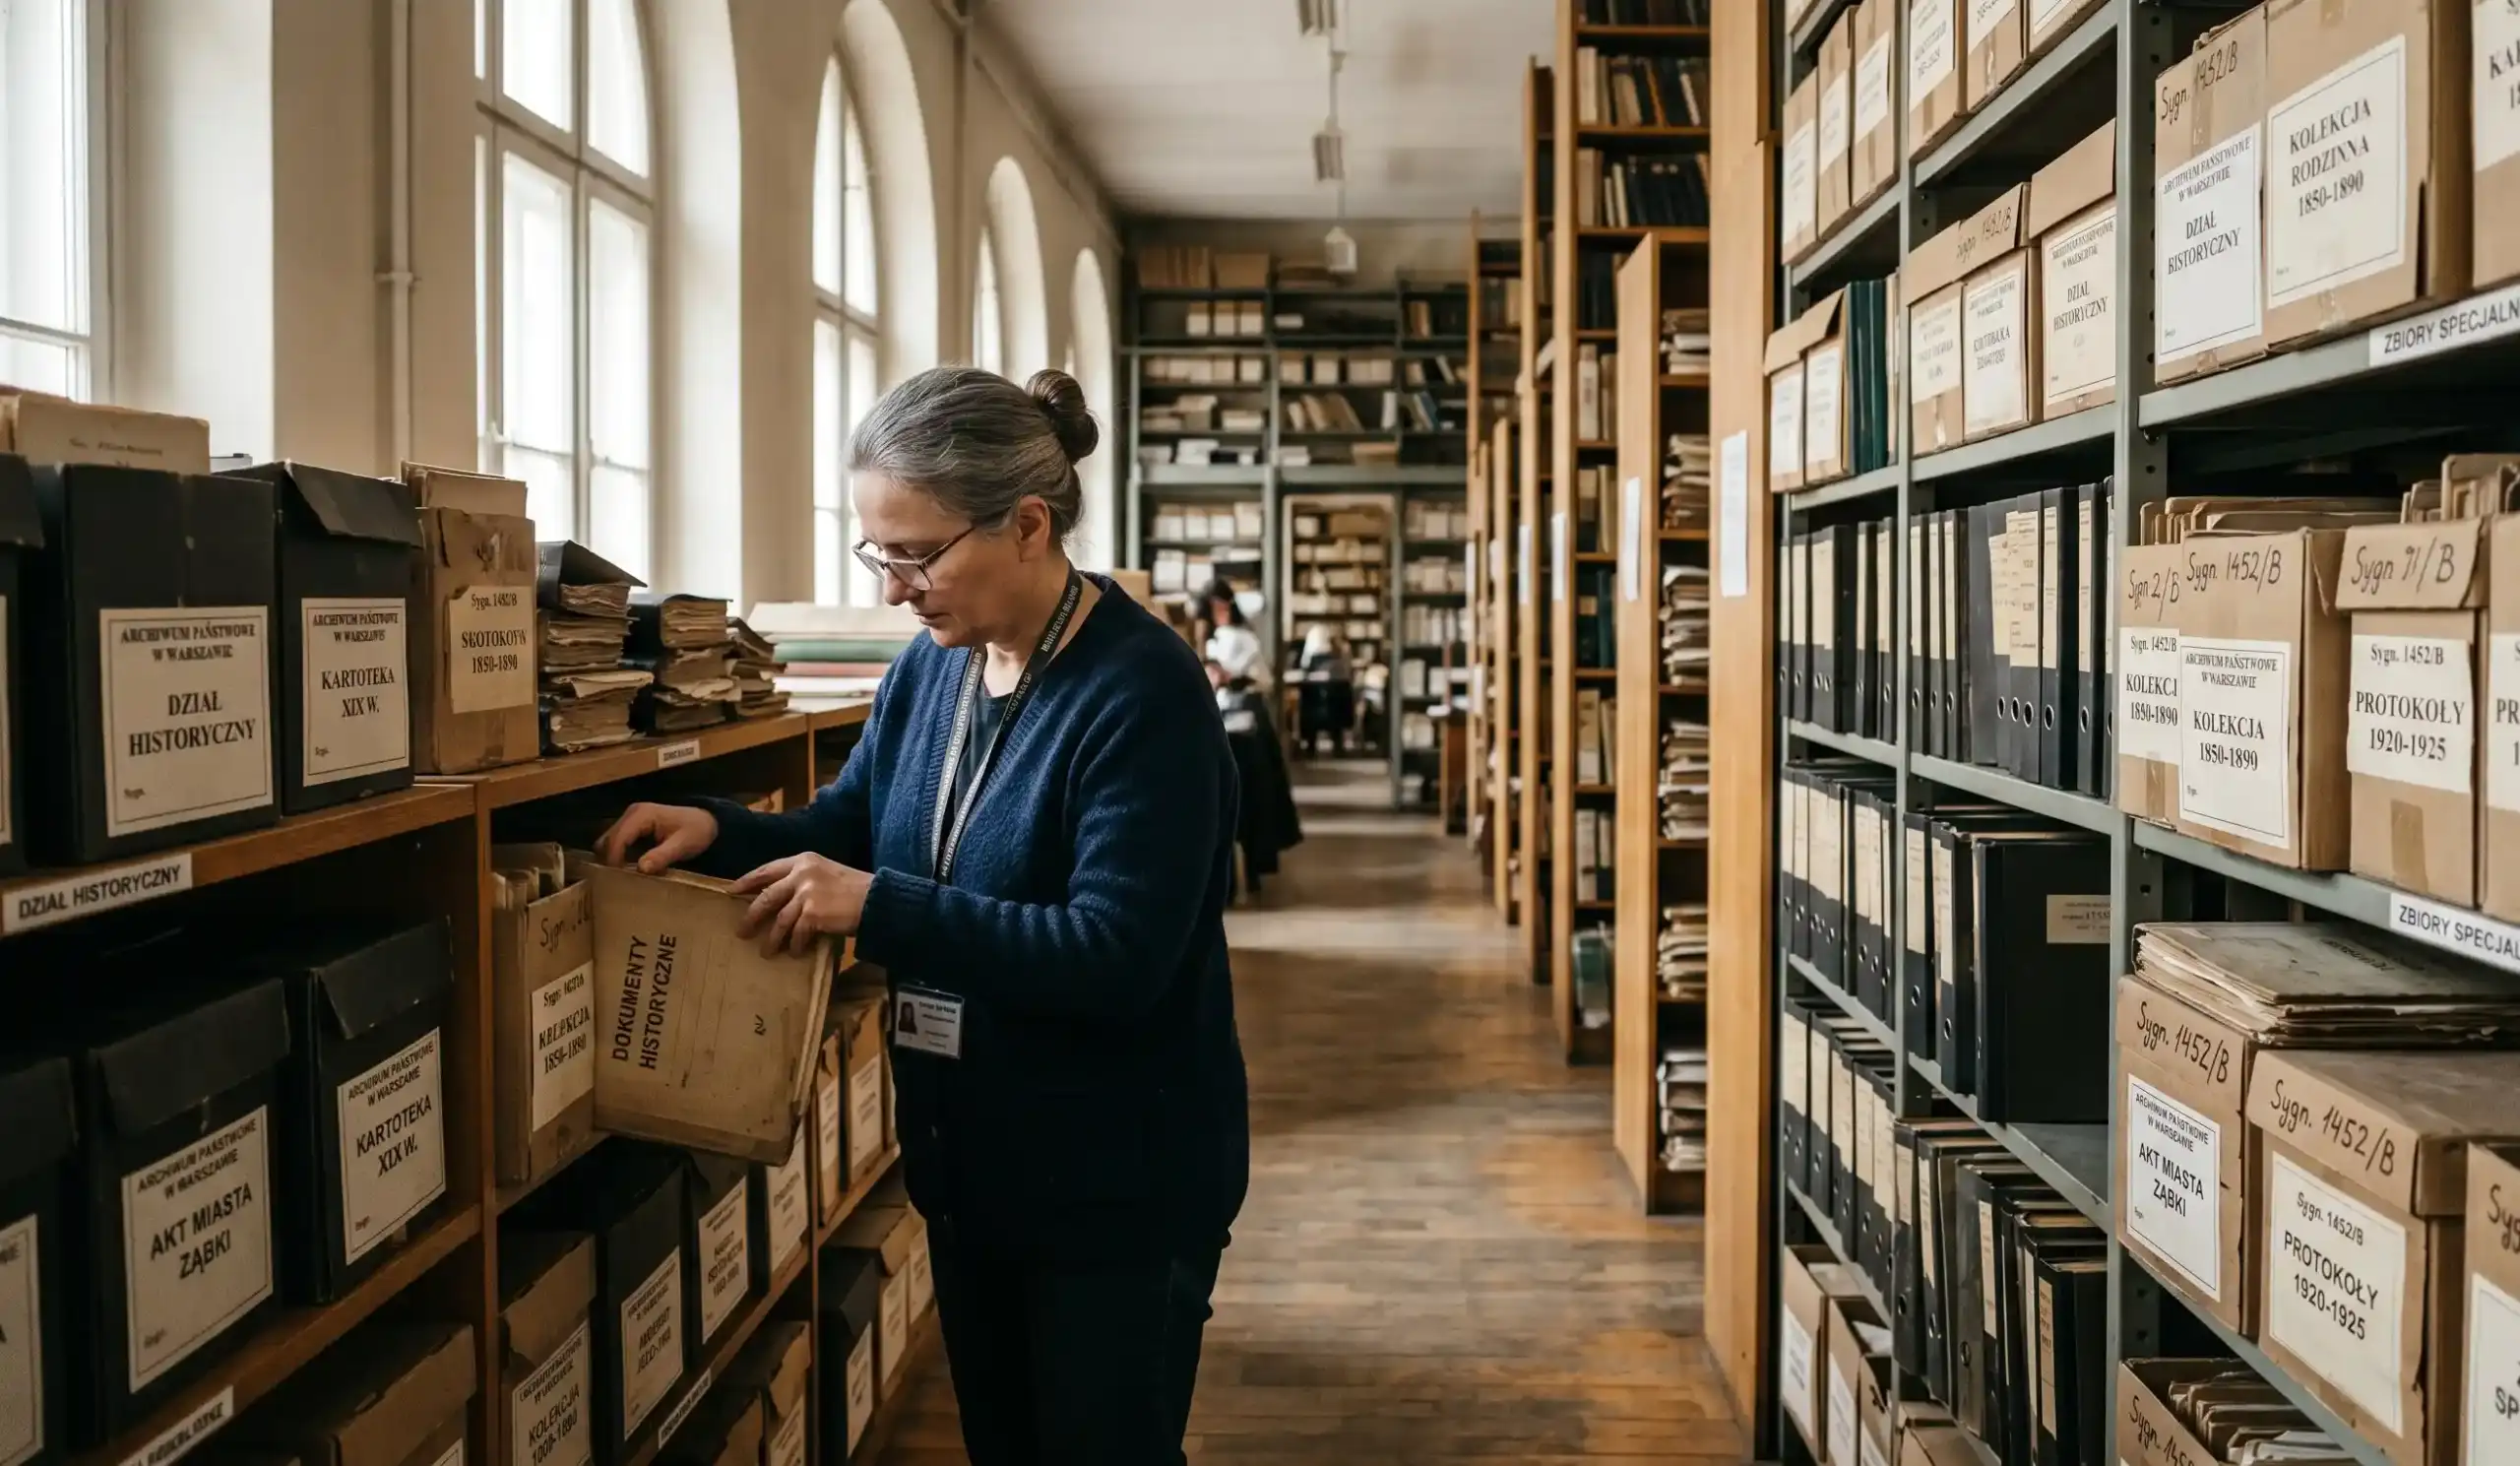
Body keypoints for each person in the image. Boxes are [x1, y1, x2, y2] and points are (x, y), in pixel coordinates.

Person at [595, 366, 1249, 1464]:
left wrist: (881, 909)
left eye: (916, 553)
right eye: (878, 553)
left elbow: (1116, 954)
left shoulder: (1145, 695)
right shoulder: (934, 669)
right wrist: (723, 830)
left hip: (1115, 1185)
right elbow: (862, 822)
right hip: (970, 1162)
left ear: (1028, 525)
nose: (896, 589)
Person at [1201, 578, 1265, 689]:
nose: (1219, 612)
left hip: (1245, 693)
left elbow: (1234, 667)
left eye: (1222, 608)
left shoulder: (1243, 635)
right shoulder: (1213, 639)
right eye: (1214, 609)